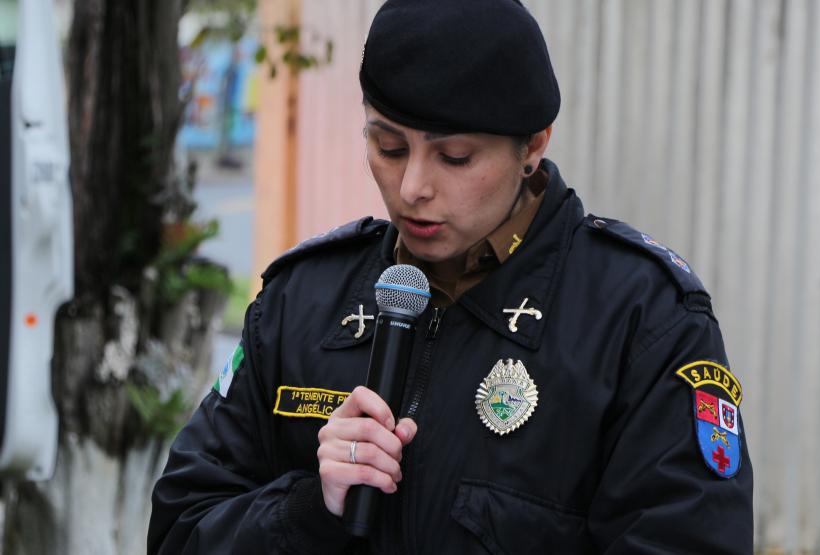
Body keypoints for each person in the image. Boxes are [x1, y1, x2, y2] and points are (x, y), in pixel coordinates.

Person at [148, 0, 753, 553]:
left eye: (454, 157)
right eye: (388, 147)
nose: (412, 188)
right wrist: (308, 507)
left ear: (533, 145)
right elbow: (180, 530)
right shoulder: (300, 303)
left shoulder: (641, 321)